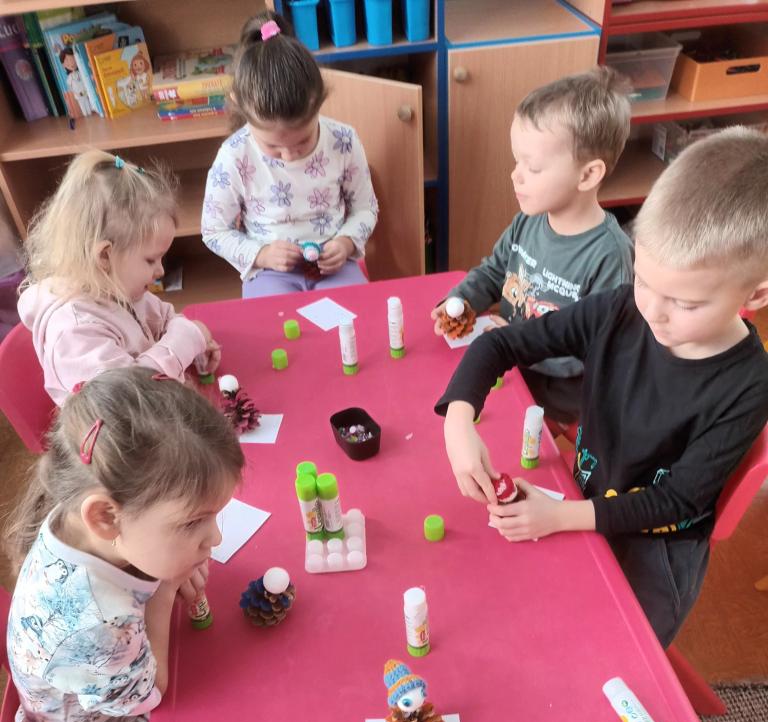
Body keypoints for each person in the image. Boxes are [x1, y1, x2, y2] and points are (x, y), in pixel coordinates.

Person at [436, 127, 768, 648]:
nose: (652, 310)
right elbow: (499, 344)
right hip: (584, 496)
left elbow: (677, 500)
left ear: (757, 293)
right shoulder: (620, 308)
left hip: (656, 549)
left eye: (685, 303)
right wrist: (459, 422)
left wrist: (560, 517)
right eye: (643, 280)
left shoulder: (749, 383)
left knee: (611, 653)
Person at [4, 367, 244, 722]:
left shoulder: (82, 514)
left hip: (102, 682)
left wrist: (170, 565)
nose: (215, 539)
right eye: (192, 522)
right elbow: (153, 690)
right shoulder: (97, 624)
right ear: (105, 517)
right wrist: (166, 588)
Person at [433, 67, 633, 428]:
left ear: (588, 174)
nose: (516, 174)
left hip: (558, 402)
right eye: (517, 160)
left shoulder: (609, 256)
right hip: (509, 370)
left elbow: (598, 352)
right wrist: (463, 301)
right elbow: (494, 271)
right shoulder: (528, 222)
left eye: (534, 167)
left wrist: (516, 346)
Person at [19, 150, 220, 406]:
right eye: (151, 260)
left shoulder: (116, 286)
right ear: (105, 256)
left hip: (158, 406)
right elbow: (130, 399)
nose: (160, 271)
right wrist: (186, 341)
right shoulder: (74, 332)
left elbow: (164, 318)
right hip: (119, 426)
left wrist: (196, 344)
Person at [202, 12, 378, 298]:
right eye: (272, 146)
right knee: (270, 324)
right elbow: (214, 230)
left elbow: (365, 208)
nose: (289, 156)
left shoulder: (343, 141)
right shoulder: (234, 155)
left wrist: (346, 243)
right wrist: (261, 254)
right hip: (269, 272)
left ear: (319, 101)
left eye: (303, 140)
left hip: (335, 264)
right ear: (239, 106)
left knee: (359, 316)